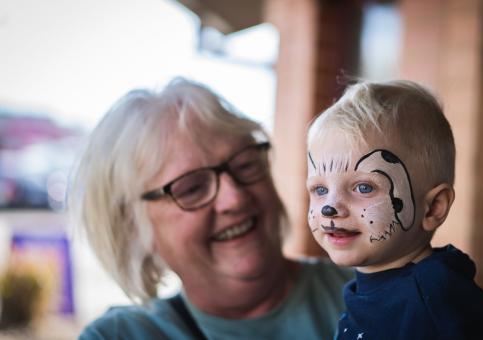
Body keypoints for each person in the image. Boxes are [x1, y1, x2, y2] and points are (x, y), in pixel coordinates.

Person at [68, 77, 352, 339]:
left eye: (244, 165)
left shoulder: (376, 291)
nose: (235, 198)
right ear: (133, 228)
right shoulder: (121, 336)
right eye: (191, 189)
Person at [306, 80, 483, 339]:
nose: (329, 208)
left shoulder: (441, 301)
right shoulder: (365, 288)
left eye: (363, 187)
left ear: (433, 208)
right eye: (320, 189)